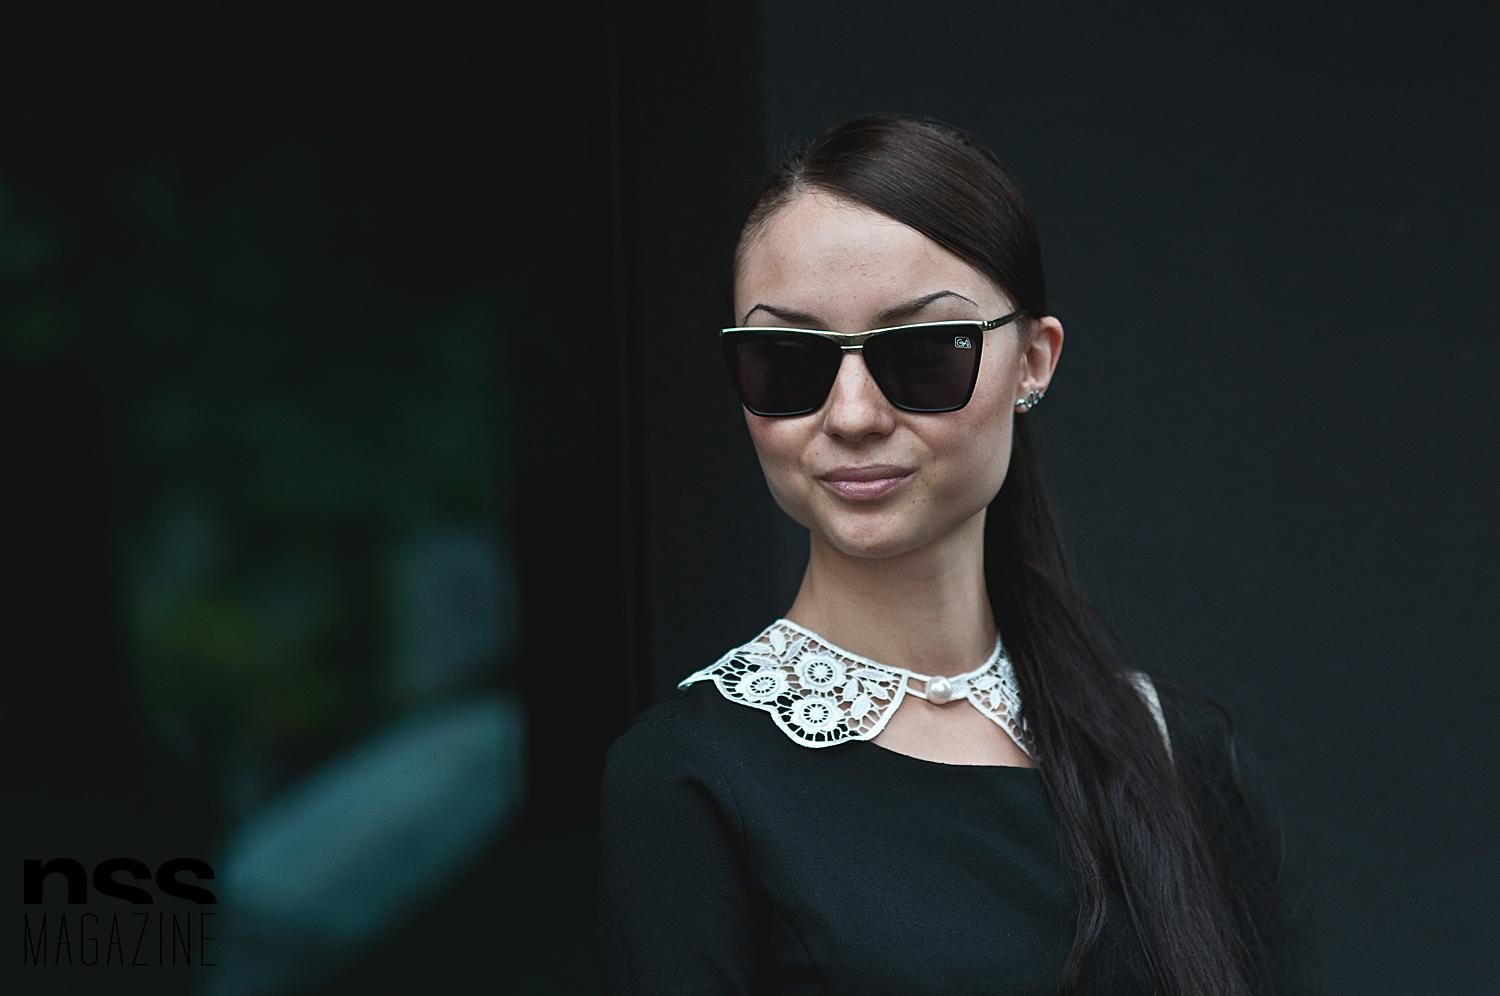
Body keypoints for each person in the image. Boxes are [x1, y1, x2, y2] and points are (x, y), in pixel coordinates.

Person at [597, 113, 1317, 995]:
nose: (852, 414)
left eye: (925, 353)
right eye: (788, 360)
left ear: (1033, 362)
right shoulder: (687, 782)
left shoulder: (1182, 755)